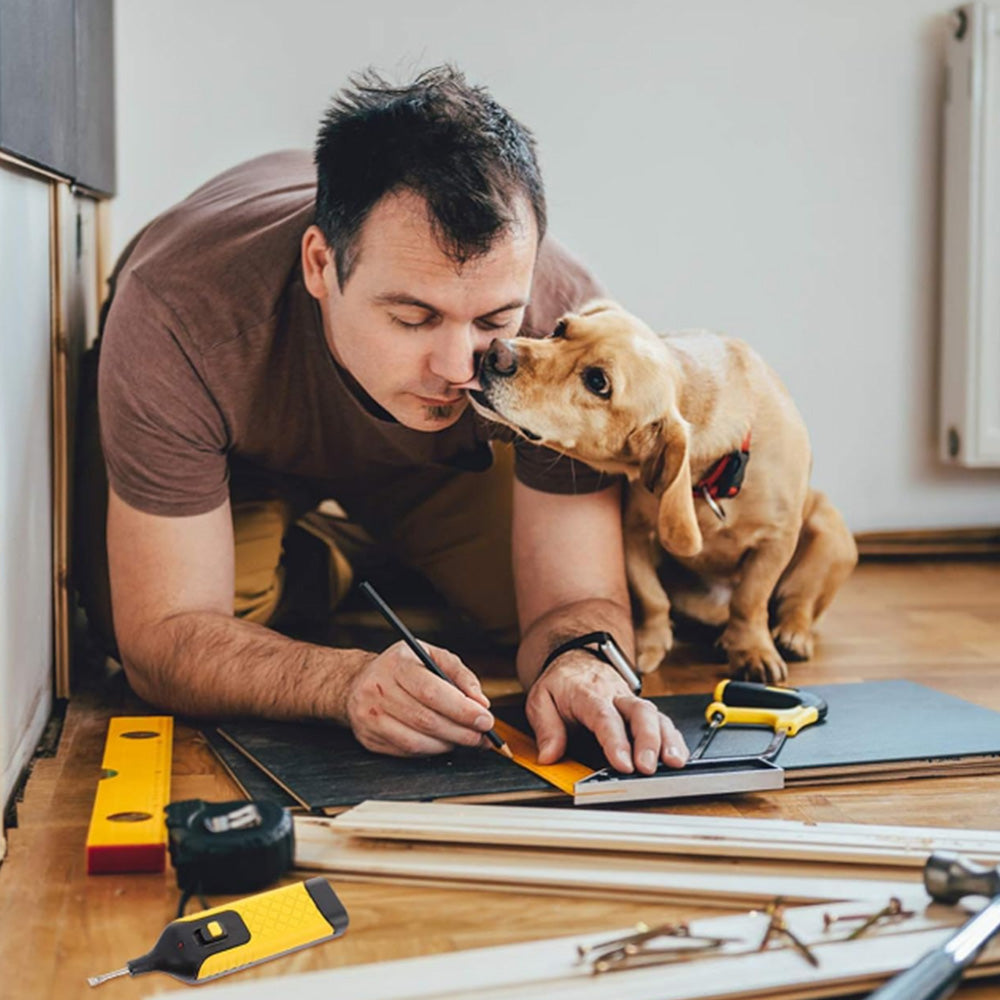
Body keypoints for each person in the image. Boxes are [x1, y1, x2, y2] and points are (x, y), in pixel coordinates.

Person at [76, 66, 689, 776]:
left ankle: (374, 539)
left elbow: (577, 597)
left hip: (438, 464)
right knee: (179, 628)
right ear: (320, 264)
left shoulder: (564, 325)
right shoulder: (176, 311)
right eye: (412, 317)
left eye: (494, 320)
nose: (460, 369)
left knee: (524, 614)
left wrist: (583, 663)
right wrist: (343, 682)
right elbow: (162, 636)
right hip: (240, 459)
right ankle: (332, 554)